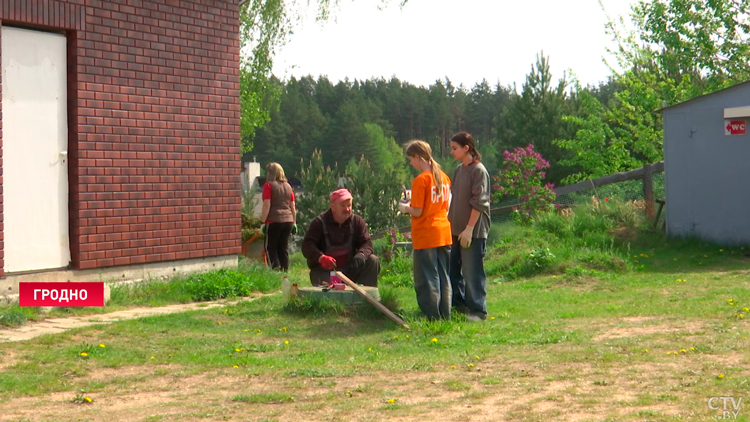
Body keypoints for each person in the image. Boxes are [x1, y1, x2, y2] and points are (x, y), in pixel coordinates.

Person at [398, 140, 453, 320]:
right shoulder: (443, 177)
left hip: (426, 233)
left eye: (411, 159)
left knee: (427, 277)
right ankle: (445, 314)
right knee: (444, 275)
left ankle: (431, 315)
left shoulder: (421, 180)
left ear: (418, 157)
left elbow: (419, 211)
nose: (410, 163)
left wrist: (404, 208)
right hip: (443, 231)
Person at [448, 132, 491, 321]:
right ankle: (459, 305)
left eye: (454, 148)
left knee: (472, 270)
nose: (452, 152)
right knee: (452, 269)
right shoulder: (459, 170)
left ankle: (478, 310)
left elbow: (479, 202)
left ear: (467, 148)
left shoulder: (478, 171)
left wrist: (469, 229)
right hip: (454, 229)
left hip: (472, 231)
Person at [301, 189, 380, 287]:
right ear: (333, 206)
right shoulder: (319, 223)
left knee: (372, 260)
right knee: (331, 295)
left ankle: (366, 297)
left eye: (349, 205)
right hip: (325, 272)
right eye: (343, 206)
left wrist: (361, 255)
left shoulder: (357, 222)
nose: (347, 209)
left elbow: (367, 243)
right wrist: (320, 257)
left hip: (351, 270)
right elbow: (307, 246)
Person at [261, 162, 297, 272]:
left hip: (274, 221)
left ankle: (276, 272)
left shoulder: (268, 186)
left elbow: (267, 205)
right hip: (288, 221)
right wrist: (294, 222)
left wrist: (262, 222)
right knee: (283, 248)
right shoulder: (288, 186)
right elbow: (292, 206)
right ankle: (285, 271)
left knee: (271, 248)